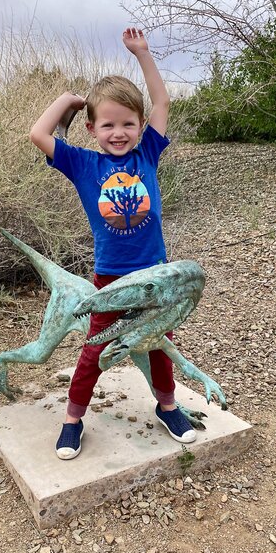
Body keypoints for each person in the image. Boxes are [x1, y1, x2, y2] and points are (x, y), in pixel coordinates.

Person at [29, 27, 196, 460]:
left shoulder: (147, 154)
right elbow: (38, 134)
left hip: (154, 276)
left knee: (158, 343)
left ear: (140, 126)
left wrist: (142, 54)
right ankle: (72, 419)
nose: (118, 132)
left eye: (128, 124)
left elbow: (162, 101)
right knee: (94, 350)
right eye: (108, 124)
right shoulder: (83, 163)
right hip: (111, 277)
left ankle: (167, 406)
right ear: (91, 128)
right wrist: (67, 100)